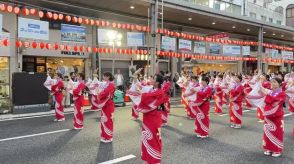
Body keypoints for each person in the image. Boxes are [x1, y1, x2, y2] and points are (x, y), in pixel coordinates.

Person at [136, 74, 165, 164]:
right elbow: (142, 90)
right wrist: (135, 77)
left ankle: (155, 160)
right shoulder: (151, 89)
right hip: (148, 116)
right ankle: (149, 158)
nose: (150, 79)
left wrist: (141, 93)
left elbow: (148, 98)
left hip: (154, 117)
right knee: (147, 137)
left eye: (153, 78)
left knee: (154, 138)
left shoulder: (160, 91)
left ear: (157, 82)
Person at [260, 78, 286, 157]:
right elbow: (268, 102)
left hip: (276, 116)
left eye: (275, 82)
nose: (273, 83)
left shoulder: (282, 93)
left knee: (277, 133)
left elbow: (275, 102)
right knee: (267, 132)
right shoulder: (270, 92)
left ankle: (277, 150)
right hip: (268, 115)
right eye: (272, 82)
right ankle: (268, 148)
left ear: (279, 84)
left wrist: (267, 96)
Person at [99, 72, 116, 143]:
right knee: (104, 119)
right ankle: (104, 135)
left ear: (108, 77)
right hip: (105, 104)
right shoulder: (106, 84)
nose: (103, 77)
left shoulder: (111, 85)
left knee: (108, 120)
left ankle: (108, 137)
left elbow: (105, 93)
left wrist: (99, 94)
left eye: (104, 76)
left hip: (108, 104)